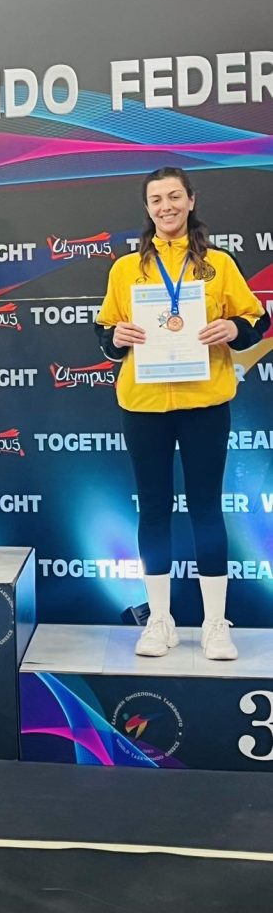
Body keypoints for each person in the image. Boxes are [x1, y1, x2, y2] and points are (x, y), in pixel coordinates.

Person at [96, 167, 269, 660]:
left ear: (191, 200)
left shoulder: (218, 264)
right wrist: (116, 338)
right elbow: (106, 332)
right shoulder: (125, 269)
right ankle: (160, 620)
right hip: (144, 404)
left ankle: (215, 623)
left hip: (204, 403)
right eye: (156, 199)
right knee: (153, 509)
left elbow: (256, 319)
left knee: (206, 508)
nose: (166, 206)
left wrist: (234, 330)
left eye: (174, 196)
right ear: (147, 208)